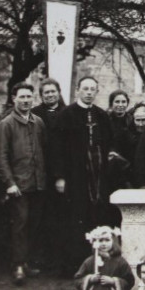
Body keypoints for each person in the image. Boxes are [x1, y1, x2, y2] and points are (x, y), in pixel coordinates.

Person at [52, 76, 121, 264]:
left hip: (99, 177)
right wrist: (60, 177)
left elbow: (111, 141)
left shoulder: (102, 116)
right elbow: (57, 149)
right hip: (75, 176)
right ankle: (76, 263)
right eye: (86, 89)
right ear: (78, 90)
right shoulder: (66, 115)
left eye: (92, 89)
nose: (89, 92)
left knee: (99, 215)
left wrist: (111, 153)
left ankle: (101, 262)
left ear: (97, 92)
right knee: (76, 217)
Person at [0, 81, 48, 284]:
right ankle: (17, 265)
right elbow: (1, 157)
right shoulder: (5, 125)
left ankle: (26, 263)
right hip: (19, 186)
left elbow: (43, 151)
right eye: (22, 97)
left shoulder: (38, 123)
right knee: (20, 225)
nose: (26, 101)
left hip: (38, 183)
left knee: (33, 224)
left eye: (28, 97)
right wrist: (9, 182)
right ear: (13, 99)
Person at [32, 77, 67, 272]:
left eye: (53, 91)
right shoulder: (35, 114)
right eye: (46, 92)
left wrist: (61, 175)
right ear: (41, 95)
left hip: (61, 173)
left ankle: (61, 263)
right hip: (40, 172)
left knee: (61, 218)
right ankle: (42, 262)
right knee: (42, 219)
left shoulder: (67, 112)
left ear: (59, 92)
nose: (50, 95)